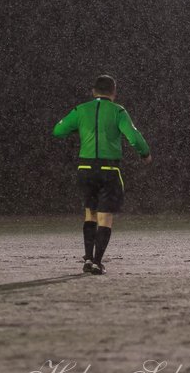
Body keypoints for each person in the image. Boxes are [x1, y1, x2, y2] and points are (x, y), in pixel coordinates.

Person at [52, 74, 152, 275]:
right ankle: (97, 262)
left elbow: (58, 130)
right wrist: (145, 153)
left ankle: (88, 258)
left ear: (93, 91)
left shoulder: (81, 109)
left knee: (90, 213)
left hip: (85, 169)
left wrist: (80, 129)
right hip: (108, 170)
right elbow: (133, 136)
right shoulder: (118, 111)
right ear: (114, 93)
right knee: (105, 217)